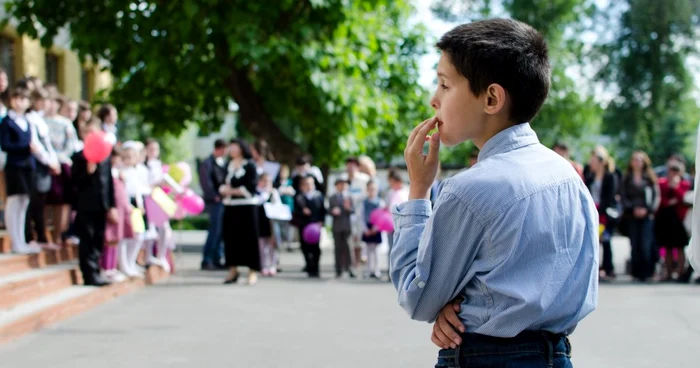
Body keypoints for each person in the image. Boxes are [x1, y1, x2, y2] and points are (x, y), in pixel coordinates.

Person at [390, 19, 598, 367]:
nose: (433, 99)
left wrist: (418, 189)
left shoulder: (470, 188)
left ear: (491, 98)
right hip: (556, 355)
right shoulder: (568, 177)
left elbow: (418, 297)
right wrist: (472, 307)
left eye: (444, 84)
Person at [71, 120, 118, 287]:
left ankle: (97, 271)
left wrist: (112, 206)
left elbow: (109, 183)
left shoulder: (105, 157)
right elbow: (75, 183)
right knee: (87, 239)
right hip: (86, 205)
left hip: (101, 205)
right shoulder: (78, 157)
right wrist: (87, 172)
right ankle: (89, 274)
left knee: (98, 239)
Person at [0, 87, 42, 254]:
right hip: (15, 166)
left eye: (23, 99)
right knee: (14, 201)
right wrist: (25, 146)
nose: (19, 102)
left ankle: (22, 240)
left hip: (27, 166)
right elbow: (5, 144)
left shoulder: (27, 121)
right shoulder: (6, 122)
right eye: (16, 98)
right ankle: (15, 241)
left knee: (24, 202)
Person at [220, 139, 261, 285]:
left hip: (247, 207)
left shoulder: (249, 165)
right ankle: (233, 269)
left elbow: (251, 187)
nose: (231, 149)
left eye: (234, 147)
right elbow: (221, 183)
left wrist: (233, 190)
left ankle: (252, 270)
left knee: (249, 239)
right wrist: (225, 190)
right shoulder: (228, 165)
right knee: (231, 238)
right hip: (231, 206)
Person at [621, 151, 660, 282]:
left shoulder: (649, 178)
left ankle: (648, 271)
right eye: (635, 160)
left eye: (639, 160)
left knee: (646, 244)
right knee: (635, 243)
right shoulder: (627, 179)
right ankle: (636, 271)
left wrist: (648, 210)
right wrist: (632, 209)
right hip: (632, 215)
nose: (637, 163)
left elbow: (656, 197)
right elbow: (623, 196)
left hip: (647, 216)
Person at [585, 145, 618, 281]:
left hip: (604, 214)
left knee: (605, 240)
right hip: (593, 211)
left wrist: (599, 208)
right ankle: (595, 268)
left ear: (601, 161)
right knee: (593, 241)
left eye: (593, 160)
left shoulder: (610, 177)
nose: (591, 163)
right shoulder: (590, 176)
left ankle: (608, 268)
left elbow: (610, 196)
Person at [655, 157, 691, 280]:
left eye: (676, 170)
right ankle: (668, 272)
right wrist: (669, 201)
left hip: (679, 220)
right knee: (667, 247)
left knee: (680, 247)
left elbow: (684, 199)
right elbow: (660, 199)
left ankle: (681, 272)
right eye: (671, 170)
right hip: (665, 219)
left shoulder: (684, 184)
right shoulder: (662, 183)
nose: (673, 173)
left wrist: (676, 187)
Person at [198, 138, 227, 270]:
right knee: (214, 231)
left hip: (223, 200)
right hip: (214, 202)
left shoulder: (222, 163)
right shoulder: (208, 163)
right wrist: (214, 196)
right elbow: (206, 183)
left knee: (220, 231)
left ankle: (217, 258)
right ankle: (207, 259)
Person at [294, 175, 326, 278]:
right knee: (305, 247)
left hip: (315, 226)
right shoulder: (299, 197)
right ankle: (309, 265)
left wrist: (321, 221)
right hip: (304, 225)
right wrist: (302, 212)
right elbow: (295, 212)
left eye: (311, 184)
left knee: (316, 248)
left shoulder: (318, 196)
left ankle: (316, 268)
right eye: (306, 184)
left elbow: (323, 210)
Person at [329, 178, 354, 278]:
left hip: (346, 226)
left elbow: (353, 210)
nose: (342, 186)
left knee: (348, 247)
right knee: (337, 248)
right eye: (340, 184)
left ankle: (349, 267)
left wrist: (348, 208)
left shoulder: (348, 197)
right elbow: (329, 210)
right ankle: (338, 269)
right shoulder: (332, 198)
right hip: (337, 226)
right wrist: (333, 211)